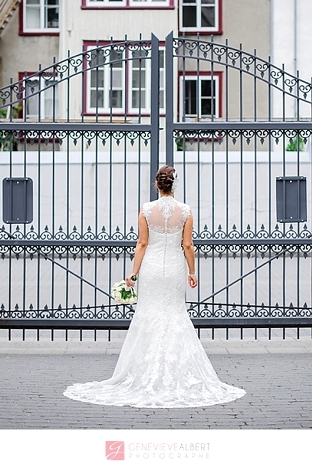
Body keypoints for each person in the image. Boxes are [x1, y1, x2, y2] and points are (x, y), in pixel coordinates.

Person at [64, 165, 245, 408]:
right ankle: (177, 371)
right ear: (174, 184)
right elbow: (188, 245)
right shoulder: (186, 211)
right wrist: (192, 271)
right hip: (173, 269)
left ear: (157, 185)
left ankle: (141, 371)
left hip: (150, 268)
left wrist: (133, 273)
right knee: (174, 314)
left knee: (148, 314)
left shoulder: (147, 210)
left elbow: (141, 243)